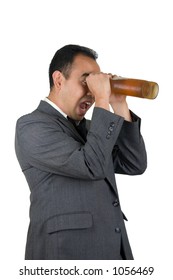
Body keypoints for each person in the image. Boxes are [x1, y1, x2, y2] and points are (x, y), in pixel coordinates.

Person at [15, 44, 147, 260]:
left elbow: (133, 163)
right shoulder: (31, 126)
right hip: (65, 255)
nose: (93, 93)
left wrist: (118, 104)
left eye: (96, 84)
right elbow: (91, 165)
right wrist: (102, 101)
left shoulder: (89, 129)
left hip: (113, 251)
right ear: (59, 80)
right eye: (86, 81)